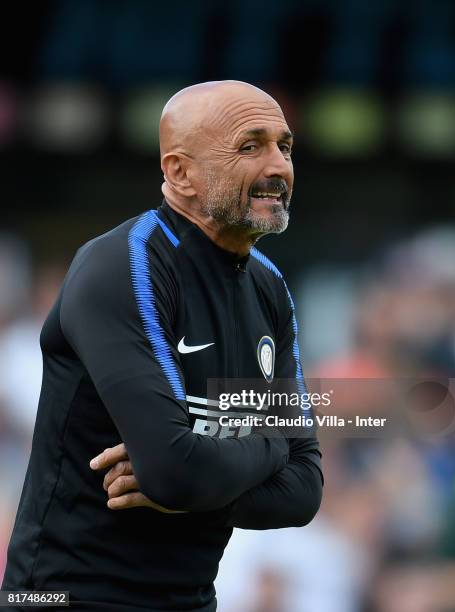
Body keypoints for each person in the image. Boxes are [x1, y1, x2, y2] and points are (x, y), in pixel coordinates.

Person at [1, 81, 323, 611]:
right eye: (250, 146)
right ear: (179, 172)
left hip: (191, 601)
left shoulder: (269, 287)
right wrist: (270, 446)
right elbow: (175, 472)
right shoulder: (125, 268)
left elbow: (305, 489)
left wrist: (198, 484)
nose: (278, 168)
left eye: (284, 147)